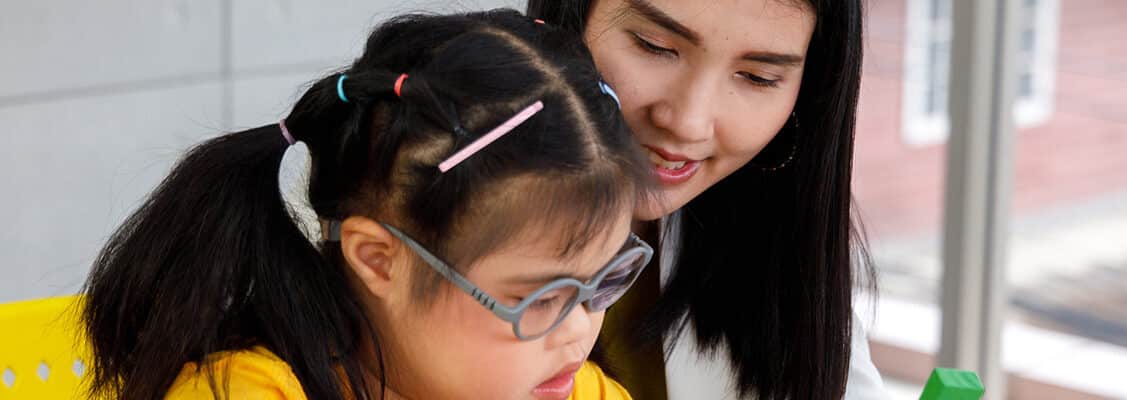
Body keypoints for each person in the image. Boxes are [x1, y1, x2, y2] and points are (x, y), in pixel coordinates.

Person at [80, 10, 655, 400]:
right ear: (380, 259)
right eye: (541, 297)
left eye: (605, 281)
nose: (581, 332)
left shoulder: (570, 387)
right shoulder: (247, 390)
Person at [526, 0, 886, 399]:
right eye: (654, 46)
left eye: (758, 77)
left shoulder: (778, 257)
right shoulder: (452, 228)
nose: (688, 123)